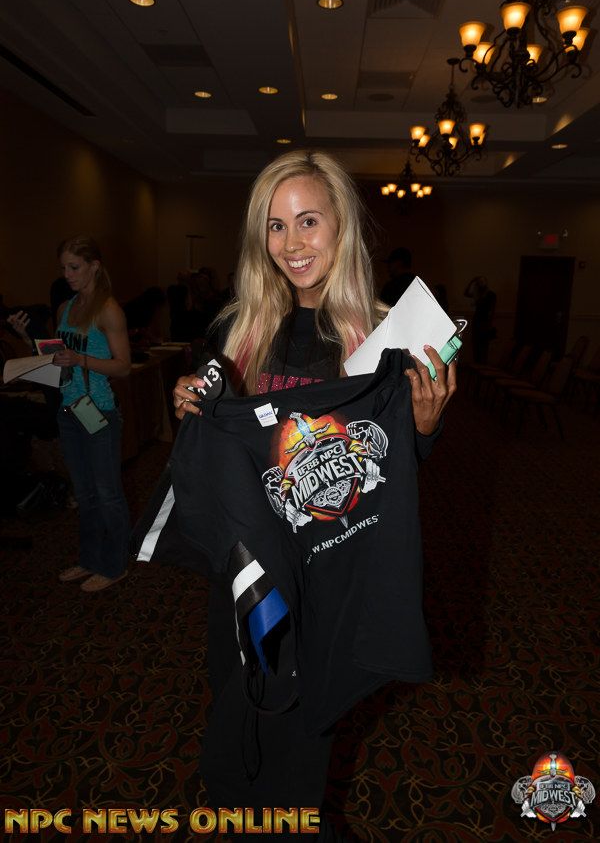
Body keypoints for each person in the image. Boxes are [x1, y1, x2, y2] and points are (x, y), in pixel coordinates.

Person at [170, 151, 456, 838]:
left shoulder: (385, 339)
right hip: (251, 574)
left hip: (330, 571)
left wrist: (423, 427)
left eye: (308, 221)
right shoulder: (239, 329)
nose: (291, 243)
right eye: (275, 226)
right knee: (239, 706)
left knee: (301, 738)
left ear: (341, 226)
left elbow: (394, 473)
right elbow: (220, 442)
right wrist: (188, 404)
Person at [52, 236, 131, 591]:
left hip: (98, 410)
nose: (67, 274)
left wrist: (80, 359)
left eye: (74, 267)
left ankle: (114, 565)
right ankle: (89, 559)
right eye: (64, 268)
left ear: (94, 266)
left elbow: (123, 366)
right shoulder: (65, 309)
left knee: (107, 493)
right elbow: (61, 358)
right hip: (68, 409)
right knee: (83, 494)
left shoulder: (108, 309)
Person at [464, 275, 497, 364]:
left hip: (484, 323)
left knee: (483, 347)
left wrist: (489, 324)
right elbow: (466, 293)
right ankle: (478, 365)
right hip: (477, 321)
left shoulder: (490, 295)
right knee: (476, 345)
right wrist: (473, 280)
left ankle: (482, 366)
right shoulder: (478, 294)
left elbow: (491, 311)